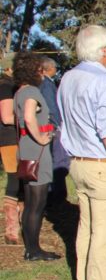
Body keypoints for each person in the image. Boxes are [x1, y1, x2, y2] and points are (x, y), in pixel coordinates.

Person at [58, 25, 106, 280]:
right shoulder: (105, 83)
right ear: (102, 51)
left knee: (87, 226)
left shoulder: (68, 78)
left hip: (78, 162)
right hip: (102, 162)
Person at [13, 52, 60, 261]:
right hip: (37, 149)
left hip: (26, 147)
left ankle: (31, 247)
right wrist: (41, 138)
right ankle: (34, 250)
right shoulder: (32, 91)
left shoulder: (19, 91)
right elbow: (29, 117)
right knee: (37, 203)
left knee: (30, 200)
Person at [38, 57, 69, 207]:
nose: (56, 70)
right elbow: (51, 107)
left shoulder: (45, 83)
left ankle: (55, 195)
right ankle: (56, 196)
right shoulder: (46, 84)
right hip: (53, 128)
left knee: (56, 160)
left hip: (51, 127)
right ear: (49, 68)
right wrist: (58, 125)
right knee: (58, 161)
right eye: (55, 67)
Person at [1, 53, 22, 245]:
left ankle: (22, 224)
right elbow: (7, 117)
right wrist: (31, 117)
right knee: (14, 180)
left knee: (21, 179)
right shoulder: (5, 87)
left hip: (17, 139)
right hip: (9, 139)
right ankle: (11, 229)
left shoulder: (13, 86)